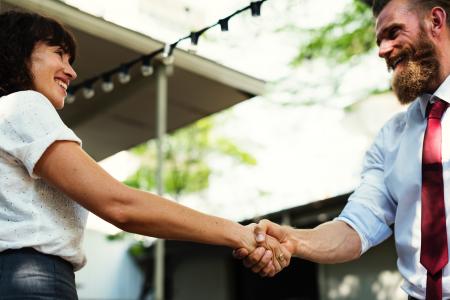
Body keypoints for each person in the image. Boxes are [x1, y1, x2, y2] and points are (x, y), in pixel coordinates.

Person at [0, 11, 289, 299]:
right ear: (18, 51)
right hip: (32, 282)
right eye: (59, 53)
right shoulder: (23, 106)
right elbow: (119, 204)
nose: (72, 71)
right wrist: (239, 234)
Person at [236, 0, 450, 299]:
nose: (382, 50)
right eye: (379, 40)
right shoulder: (391, 138)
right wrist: (293, 240)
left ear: (436, 21)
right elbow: (356, 228)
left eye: (393, 33)